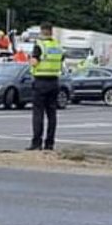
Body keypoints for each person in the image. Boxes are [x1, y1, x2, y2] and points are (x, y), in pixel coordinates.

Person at [27, 22, 64, 152]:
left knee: (38, 114)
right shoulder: (57, 46)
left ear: (42, 31)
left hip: (41, 82)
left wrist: (30, 60)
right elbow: (61, 61)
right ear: (51, 32)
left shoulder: (39, 45)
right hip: (54, 81)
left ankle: (37, 143)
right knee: (52, 114)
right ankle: (50, 143)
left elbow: (34, 62)